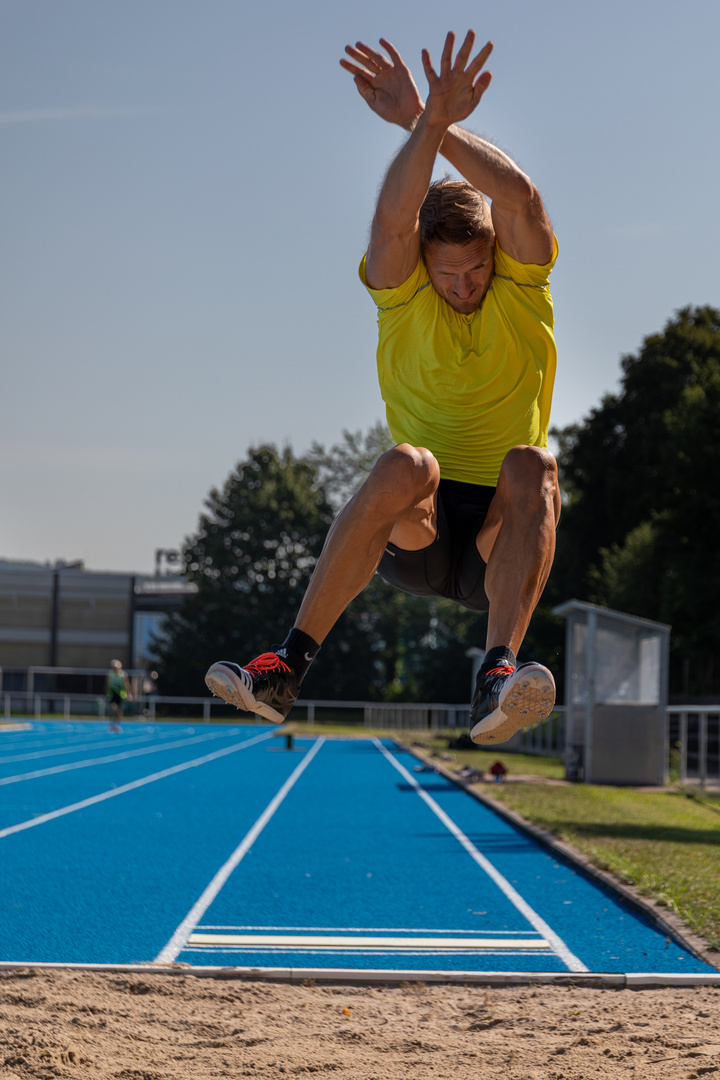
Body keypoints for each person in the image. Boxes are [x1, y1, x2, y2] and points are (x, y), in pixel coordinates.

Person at [206, 30, 560, 745]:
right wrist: (424, 123)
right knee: (408, 462)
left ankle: (497, 676)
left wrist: (433, 122)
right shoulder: (402, 295)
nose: (462, 288)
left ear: (495, 256)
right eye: (447, 275)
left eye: (475, 271)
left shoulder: (522, 285)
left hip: (500, 534)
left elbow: (519, 198)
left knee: (535, 466)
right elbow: (391, 221)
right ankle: (286, 669)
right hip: (418, 529)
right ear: (424, 267)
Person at [106, 659, 131, 733]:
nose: (115, 669)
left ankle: (117, 725)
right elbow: (107, 684)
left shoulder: (123, 675)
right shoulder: (110, 674)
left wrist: (129, 694)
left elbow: (127, 685)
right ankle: (111, 724)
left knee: (119, 711)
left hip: (120, 694)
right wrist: (106, 693)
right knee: (113, 709)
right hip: (113, 693)